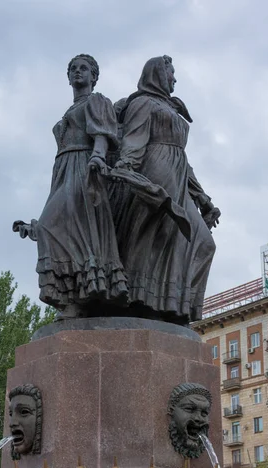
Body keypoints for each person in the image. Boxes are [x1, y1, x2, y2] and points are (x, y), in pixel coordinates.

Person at [14, 54, 128, 318]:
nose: (78, 72)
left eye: (84, 68)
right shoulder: (68, 110)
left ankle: (77, 297)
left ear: (94, 76)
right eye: (73, 69)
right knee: (67, 232)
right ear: (67, 77)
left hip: (83, 167)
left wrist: (98, 157)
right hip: (63, 170)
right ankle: (74, 299)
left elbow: (102, 134)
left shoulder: (97, 101)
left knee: (54, 227)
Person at [112, 55, 220, 324]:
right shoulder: (142, 103)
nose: (174, 78)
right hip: (155, 172)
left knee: (203, 244)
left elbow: (183, 158)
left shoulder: (170, 107)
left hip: (178, 175)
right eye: (171, 73)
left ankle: (177, 304)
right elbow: (133, 141)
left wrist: (202, 197)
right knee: (151, 241)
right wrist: (126, 168)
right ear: (158, 74)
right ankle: (140, 301)